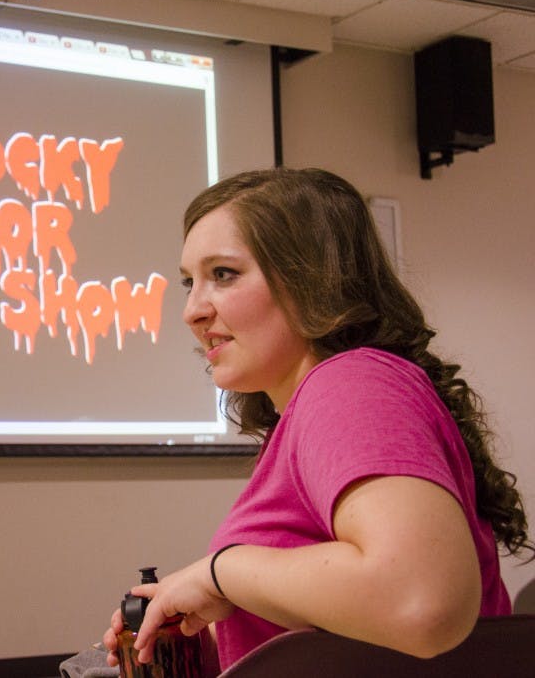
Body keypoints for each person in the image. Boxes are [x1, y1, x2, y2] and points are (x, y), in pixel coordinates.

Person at [102, 167, 532, 674]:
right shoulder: (334, 396)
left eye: (223, 274)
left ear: (311, 278)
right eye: (188, 283)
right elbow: (350, 629)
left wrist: (221, 573)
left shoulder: (349, 384)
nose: (192, 311)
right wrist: (216, 635)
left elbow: (422, 604)